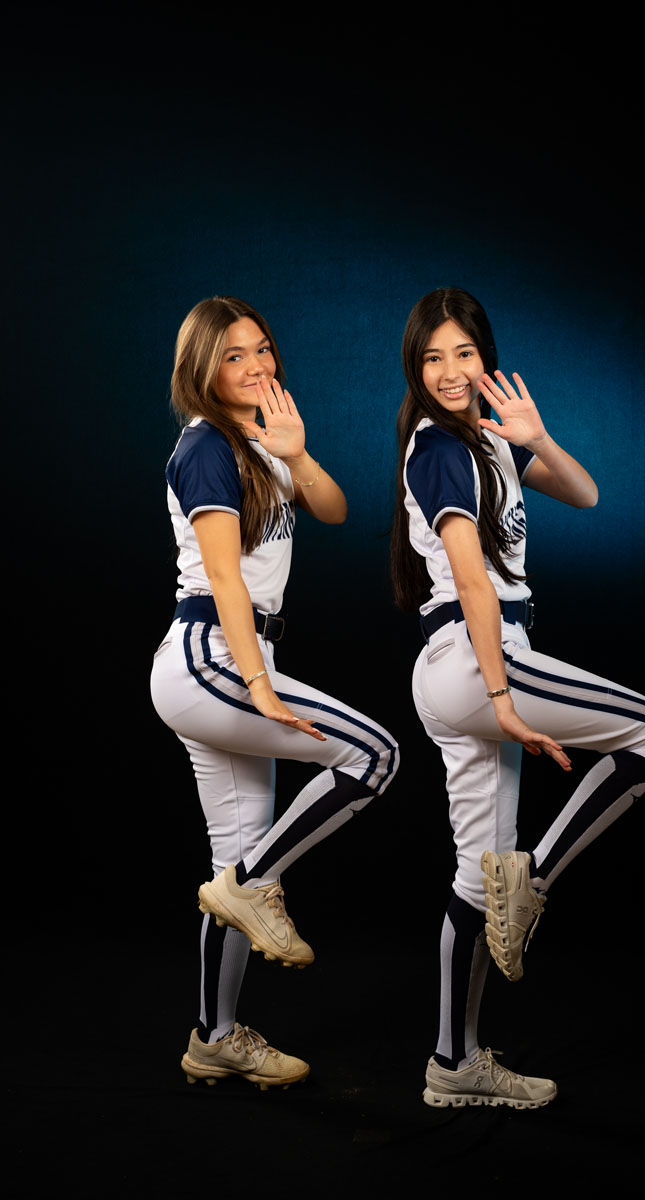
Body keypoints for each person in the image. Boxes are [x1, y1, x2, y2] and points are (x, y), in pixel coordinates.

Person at [390, 287, 645, 1110]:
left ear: (486, 356)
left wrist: (538, 439)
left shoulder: (483, 442)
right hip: (477, 656)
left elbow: (585, 494)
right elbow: (473, 582)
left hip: (458, 665)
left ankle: (453, 1064)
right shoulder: (438, 448)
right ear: (415, 369)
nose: (450, 371)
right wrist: (503, 695)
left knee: (475, 881)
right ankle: (538, 882)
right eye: (432, 358)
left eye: (464, 353)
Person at [151, 296, 399, 1091]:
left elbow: (335, 509)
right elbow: (224, 576)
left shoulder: (258, 442)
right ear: (202, 369)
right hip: (211, 655)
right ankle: (253, 886)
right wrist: (257, 683)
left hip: (231, 654)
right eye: (234, 355)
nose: (256, 364)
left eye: (261, 348)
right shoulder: (205, 447)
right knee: (374, 754)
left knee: (232, 862)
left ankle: (215, 1037)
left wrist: (296, 452)